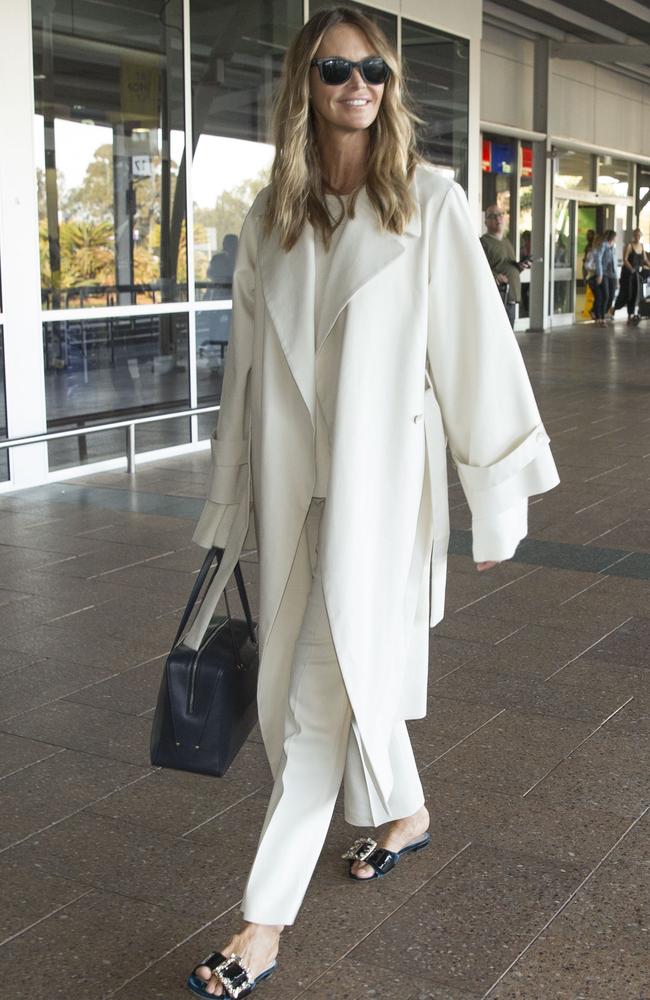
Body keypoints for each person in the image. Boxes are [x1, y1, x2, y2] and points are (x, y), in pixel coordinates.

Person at [186, 7, 560, 998]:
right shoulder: (269, 219)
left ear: (390, 85)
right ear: (303, 86)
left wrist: (499, 497)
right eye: (334, 68)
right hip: (289, 497)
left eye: (374, 69)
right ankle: (406, 813)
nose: (358, 84)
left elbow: (474, 353)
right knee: (326, 688)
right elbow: (245, 385)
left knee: (312, 707)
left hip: (382, 505)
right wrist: (226, 516)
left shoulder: (426, 204)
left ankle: (259, 925)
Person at [480, 206, 530, 327]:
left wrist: (521, 266)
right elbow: (478, 268)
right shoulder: (483, 242)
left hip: (511, 298)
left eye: (500, 214)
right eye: (493, 216)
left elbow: (509, 267)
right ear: (486, 222)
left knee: (509, 338)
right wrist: (495, 276)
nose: (498, 218)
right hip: (497, 298)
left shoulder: (506, 242)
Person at [615, 227, 650, 324]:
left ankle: (629, 316)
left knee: (634, 295)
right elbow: (625, 259)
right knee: (626, 294)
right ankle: (615, 308)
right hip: (627, 274)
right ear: (633, 236)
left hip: (636, 274)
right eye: (636, 235)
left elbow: (645, 260)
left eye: (639, 235)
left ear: (641, 236)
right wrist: (631, 269)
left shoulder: (642, 246)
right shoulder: (629, 246)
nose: (637, 237)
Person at [207, 233, 239, 299]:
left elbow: (210, 274)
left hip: (233, 296)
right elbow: (210, 274)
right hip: (220, 296)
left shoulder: (241, 260)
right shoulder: (217, 259)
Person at [586, 233, 608, 326]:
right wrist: (597, 269)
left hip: (601, 276)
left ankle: (595, 312)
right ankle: (598, 317)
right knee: (599, 296)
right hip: (593, 277)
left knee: (603, 296)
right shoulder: (592, 252)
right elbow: (587, 265)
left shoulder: (604, 253)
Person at [600, 229, 618, 322]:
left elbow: (615, 263)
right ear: (612, 237)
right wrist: (600, 274)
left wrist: (617, 279)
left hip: (613, 275)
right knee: (606, 295)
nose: (616, 238)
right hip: (605, 275)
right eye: (615, 237)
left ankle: (606, 312)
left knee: (611, 296)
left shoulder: (614, 248)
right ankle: (602, 317)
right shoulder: (604, 246)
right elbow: (599, 260)